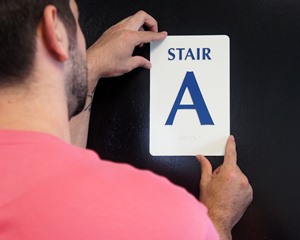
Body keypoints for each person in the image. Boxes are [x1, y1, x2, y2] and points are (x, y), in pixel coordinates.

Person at [0, 0, 253, 239]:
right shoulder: (169, 217)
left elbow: (55, 185)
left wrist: (88, 68)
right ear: (55, 31)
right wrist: (217, 221)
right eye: (76, 22)